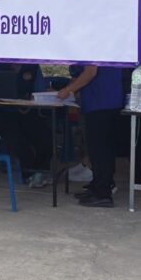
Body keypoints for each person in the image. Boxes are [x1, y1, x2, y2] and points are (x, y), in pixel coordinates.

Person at [59, 64, 124, 208]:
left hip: (102, 102)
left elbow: (90, 72)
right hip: (102, 101)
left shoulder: (96, 45)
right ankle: (97, 186)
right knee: (97, 149)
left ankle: (103, 193)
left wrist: (68, 90)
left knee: (101, 149)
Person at [0, 63, 52, 187]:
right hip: (0, 112)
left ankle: (41, 171)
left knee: (44, 135)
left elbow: (40, 91)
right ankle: (29, 174)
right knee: (17, 139)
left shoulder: (33, 67)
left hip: (26, 111)